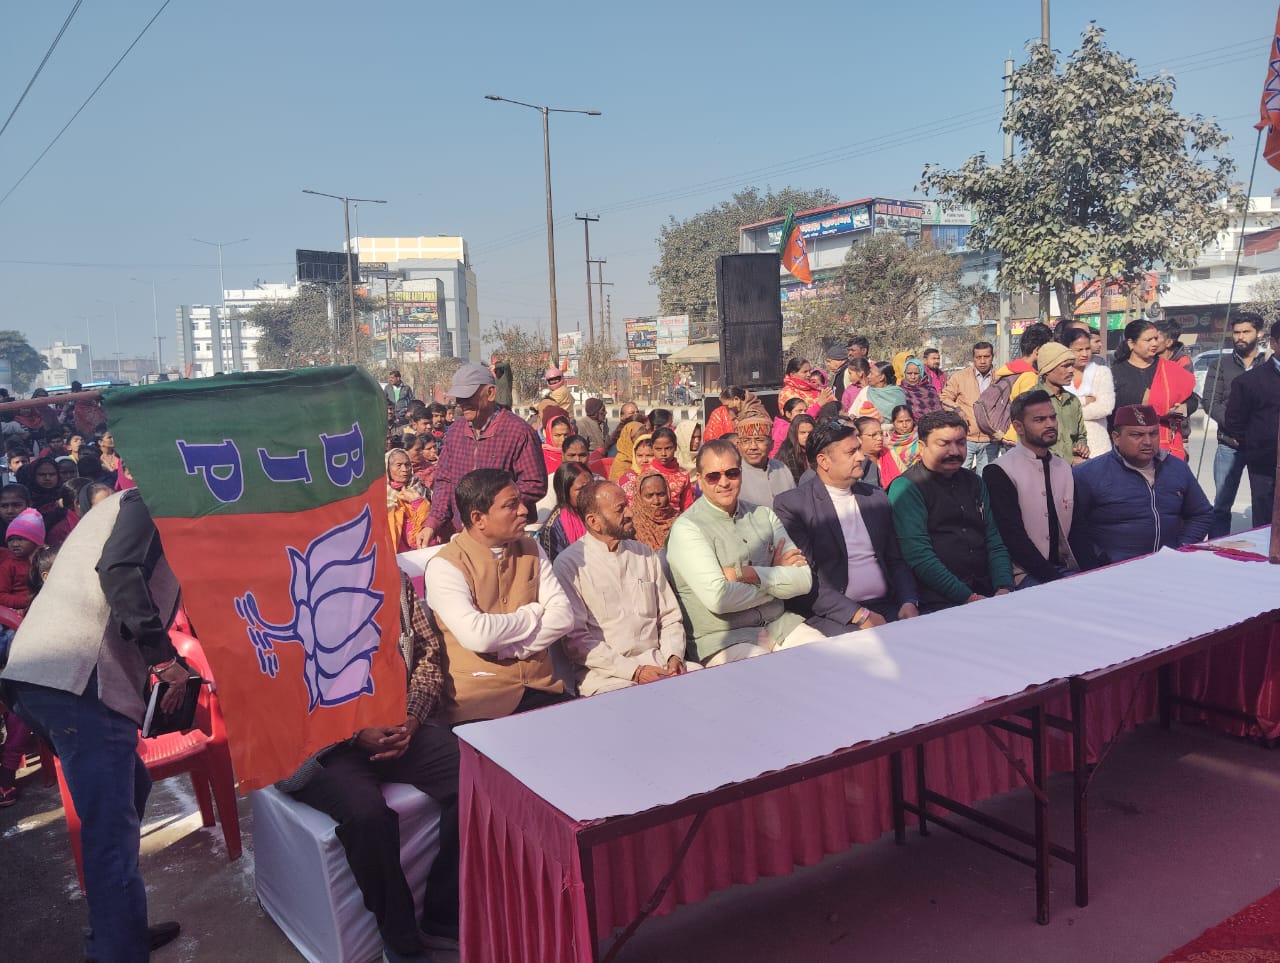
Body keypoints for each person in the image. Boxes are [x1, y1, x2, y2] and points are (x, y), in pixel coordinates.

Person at [2, 489, 184, 960]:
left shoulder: (122, 505)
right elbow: (119, 572)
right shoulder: (149, 501)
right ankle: (118, 949)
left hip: (43, 679)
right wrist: (163, 659)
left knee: (131, 790)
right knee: (111, 834)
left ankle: (118, 929)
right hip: (77, 681)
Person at [278, 571, 460, 963]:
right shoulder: (286, 583)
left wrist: (411, 719)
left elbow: (427, 658)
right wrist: (354, 731)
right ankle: (402, 941)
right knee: (367, 815)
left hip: (396, 723)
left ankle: (443, 918)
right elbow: (283, 687)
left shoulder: (390, 576)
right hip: (319, 745)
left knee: (476, 776)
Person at [424, 469, 575, 723]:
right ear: (478, 519)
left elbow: (563, 617)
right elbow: (478, 636)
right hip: (480, 704)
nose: (524, 510)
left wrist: (510, 650)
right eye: (511, 505)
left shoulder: (530, 547)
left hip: (543, 689)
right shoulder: (445, 566)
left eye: (520, 502)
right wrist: (533, 612)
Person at [666, 440, 815, 666]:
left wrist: (747, 574)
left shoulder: (764, 515)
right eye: (713, 476)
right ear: (700, 480)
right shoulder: (688, 528)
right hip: (724, 639)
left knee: (825, 658)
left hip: (779, 625)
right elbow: (720, 599)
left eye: (732, 473)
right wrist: (776, 579)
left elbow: (804, 580)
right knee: (771, 673)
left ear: (741, 474)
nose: (724, 482)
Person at [774, 420, 919, 635]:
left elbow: (895, 560)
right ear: (824, 461)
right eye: (851, 452)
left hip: (888, 605)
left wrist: (908, 600)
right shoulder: (794, 505)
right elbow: (804, 579)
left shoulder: (875, 497)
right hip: (834, 614)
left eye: (859, 449)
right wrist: (858, 614)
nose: (861, 457)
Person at [553, 481, 689, 695]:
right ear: (594, 522)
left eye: (627, 505)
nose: (630, 513)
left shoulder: (643, 553)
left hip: (659, 662)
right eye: (620, 509)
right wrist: (635, 671)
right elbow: (577, 642)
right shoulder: (570, 564)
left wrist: (674, 656)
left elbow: (670, 616)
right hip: (607, 676)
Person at [887, 410, 1014, 613]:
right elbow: (919, 555)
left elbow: (994, 540)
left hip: (987, 592)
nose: (954, 451)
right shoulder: (907, 487)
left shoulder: (974, 481)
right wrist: (968, 598)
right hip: (939, 601)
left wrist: (1004, 587)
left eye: (961, 443)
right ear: (922, 446)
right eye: (944, 444)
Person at [419, 364, 547, 547]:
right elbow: (444, 481)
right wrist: (433, 522)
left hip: (507, 537)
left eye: (468, 396)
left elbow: (534, 484)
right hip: (464, 534)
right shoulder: (455, 432)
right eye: (459, 397)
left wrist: (494, 510)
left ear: (491, 393)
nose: (461, 402)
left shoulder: (518, 432)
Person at [1070, 404, 1212, 569]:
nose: (1147, 442)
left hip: (1170, 566)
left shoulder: (1176, 467)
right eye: (1137, 435)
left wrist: (1181, 547)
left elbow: (1201, 513)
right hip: (1113, 571)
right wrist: (1100, 561)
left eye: (1153, 434)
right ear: (1116, 438)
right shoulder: (1088, 474)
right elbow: (1073, 529)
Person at [983, 390, 1078, 587]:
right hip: (1024, 574)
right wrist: (1057, 580)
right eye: (1040, 420)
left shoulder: (1063, 467)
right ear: (1018, 426)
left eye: (1052, 417)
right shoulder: (1000, 470)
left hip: (1065, 569)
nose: (1050, 424)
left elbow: (1078, 528)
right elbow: (1013, 537)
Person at [1206, 312, 1267, 536]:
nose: (1240, 337)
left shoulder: (1269, 364)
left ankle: (1262, 548)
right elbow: (1211, 402)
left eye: (1246, 332)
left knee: (1264, 504)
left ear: (1259, 333)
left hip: (1262, 446)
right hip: (1229, 444)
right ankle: (1216, 548)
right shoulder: (1220, 365)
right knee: (1221, 505)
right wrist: (1237, 427)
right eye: (1236, 332)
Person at [1110, 319, 1197, 458]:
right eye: (1148, 340)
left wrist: (1184, 408)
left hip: (1166, 443)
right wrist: (1149, 406)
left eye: (1156, 338)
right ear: (1131, 343)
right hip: (1129, 446)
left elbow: (1192, 398)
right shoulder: (1116, 373)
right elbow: (1112, 411)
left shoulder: (1170, 369)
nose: (1154, 343)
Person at [1224, 318, 1280, 530]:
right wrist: (1258, 445)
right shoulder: (1249, 382)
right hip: (1265, 465)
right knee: (1266, 525)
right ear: (1274, 343)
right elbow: (1234, 422)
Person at [990, 322, 1055, 445]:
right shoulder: (1029, 377)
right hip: (1018, 439)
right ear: (1037, 350)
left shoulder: (1009, 370)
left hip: (1006, 434)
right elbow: (1031, 413)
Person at [941, 341, 1001, 470]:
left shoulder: (1000, 378)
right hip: (965, 438)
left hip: (990, 439)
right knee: (959, 475)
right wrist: (957, 409)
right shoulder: (960, 377)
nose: (982, 361)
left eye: (986, 357)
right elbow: (945, 398)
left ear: (992, 357)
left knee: (985, 477)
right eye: (978, 357)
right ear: (973, 358)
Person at [1059, 324, 1115, 459]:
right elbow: (1054, 407)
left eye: (1087, 349)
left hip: (1097, 447)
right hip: (1065, 447)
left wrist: (1067, 411)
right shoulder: (1058, 374)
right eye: (1079, 350)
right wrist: (1084, 400)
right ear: (1066, 350)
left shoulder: (1101, 372)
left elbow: (1105, 407)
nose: (1084, 354)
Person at [1032, 342, 1089, 463]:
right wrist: (1069, 460)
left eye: (1072, 365)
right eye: (1065, 366)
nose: (1071, 370)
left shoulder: (1073, 401)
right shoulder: (1032, 401)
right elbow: (1032, 444)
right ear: (1047, 370)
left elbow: (1081, 435)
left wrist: (1082, 447)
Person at [735, 416, 796, 508]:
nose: (753, 447)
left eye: (759, 440)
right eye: (746, 441)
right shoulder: (733, 474)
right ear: (739, 446)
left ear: (771, 445)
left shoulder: (781, 468)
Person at [538, 461, 592, 561]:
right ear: (565, 492)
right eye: (581, 488)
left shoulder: (602, 513)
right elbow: (553, 564)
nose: (589, 492)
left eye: (592, 485)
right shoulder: (554, 527)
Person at [386, 448, 431, 554]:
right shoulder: (380, 493)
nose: (404, 469)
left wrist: (417, 502)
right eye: (399, 465)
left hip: (419, 546)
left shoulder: (420, 487)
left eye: (407, 464)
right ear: (387, 468)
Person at [0, 508, 42, 611]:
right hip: (17, 612)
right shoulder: (8, 565)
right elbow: (1, 596)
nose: (15, 544)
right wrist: (27, 601)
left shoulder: (45, 559)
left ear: (35, 541)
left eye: (20, 539)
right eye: (10, 540)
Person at [647, 427, 695, 512]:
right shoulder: (647, 473)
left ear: (675, 447)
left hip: (676, 519)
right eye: (658, 449)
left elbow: (687, 505)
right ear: (652, 448)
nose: (663, 454)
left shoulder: (683, 475)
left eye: (668, 448)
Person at [629, 471, 679, 551]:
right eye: (649, 496)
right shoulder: (630, 524)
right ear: (638, 497)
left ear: (668, 493)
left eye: (661, 494)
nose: (656, 501)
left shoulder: (679, 520)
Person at [881, 405, 921, 489]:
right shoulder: (888, 442)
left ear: (913, 420)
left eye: (908, 421)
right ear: (893, 423)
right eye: (900, 422)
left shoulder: (921, 437)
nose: (904, 425)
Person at [775, 414, 815, 484]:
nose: (807, 436)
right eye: (802, 433)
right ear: (794, 434)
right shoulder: (788, 456)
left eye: (810, 432)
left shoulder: (818, 451)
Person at [617, 435, 655, 503]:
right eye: (640, 456)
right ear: (634, 456)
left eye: (649, 455)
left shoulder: (665, 474)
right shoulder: (628, 480)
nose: (644, 460)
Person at [539, 406, 573, 475]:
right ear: (549, 435)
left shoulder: (578, 454)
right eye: (557, 435)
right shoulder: (540, 457)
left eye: (566, 435)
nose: (563, 439)